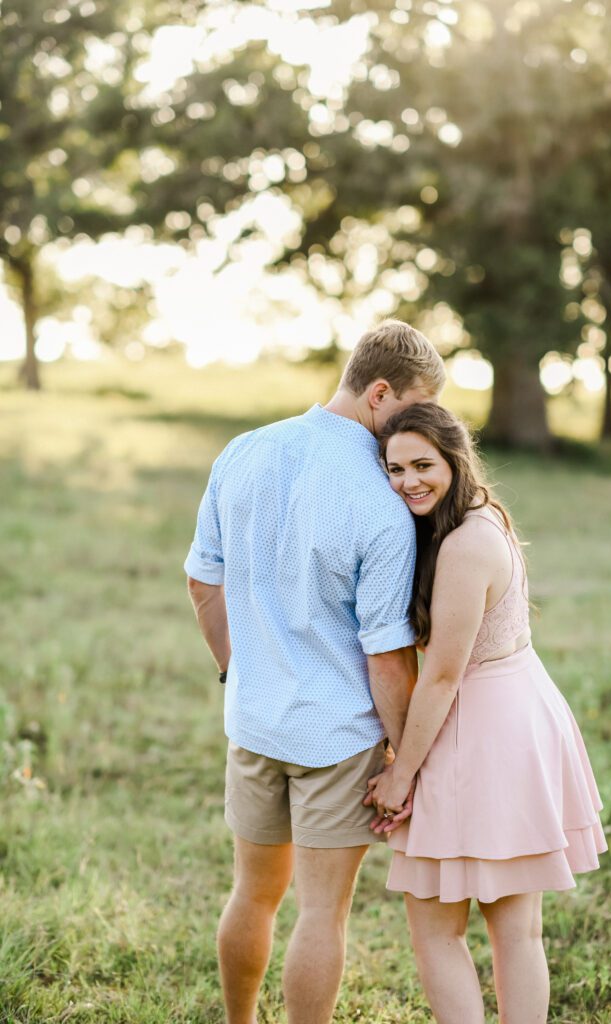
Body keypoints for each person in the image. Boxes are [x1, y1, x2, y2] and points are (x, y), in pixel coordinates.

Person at [184, 321, 446, 1024]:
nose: (416, 428)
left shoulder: (243, 451)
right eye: (413, 408)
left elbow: (202, 583)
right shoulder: (380, 503)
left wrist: (245, 673)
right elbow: (386, 655)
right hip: (338, 734)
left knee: (252, 894)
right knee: (322, 915)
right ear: (379, 392)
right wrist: (402, 757)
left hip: (254, 720)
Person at [366, 402, 607, 1024]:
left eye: (423, 465)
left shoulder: (468, 543)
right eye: (394, 469)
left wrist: (401, 774)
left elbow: (443, 674)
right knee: (516, 930)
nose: (408, 481)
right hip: (513, 712)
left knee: (443, 930)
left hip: (483, 727)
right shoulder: (477, 518)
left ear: (455, 459)